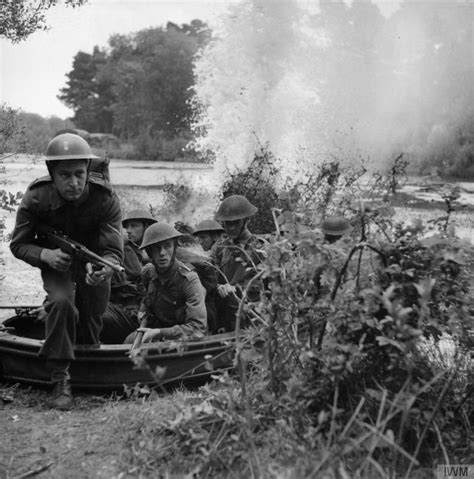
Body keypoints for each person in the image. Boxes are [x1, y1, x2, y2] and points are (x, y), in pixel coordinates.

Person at [10, 133, 123, 410]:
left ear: (87, 170)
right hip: (56, 262)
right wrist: (44, 255)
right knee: (61, 303)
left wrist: (103, 269)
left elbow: (113, 251)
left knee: (92, 314)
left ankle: (86, 360)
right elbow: (18, 244)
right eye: (64, 175)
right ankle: (59, 378)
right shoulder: (36, 198)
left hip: (92, 263)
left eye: (79, 173)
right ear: (52, 174)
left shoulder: (105, 199)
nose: (73, 182)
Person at [125, 223, 207, 344]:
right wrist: (144, 308)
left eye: (167, 246)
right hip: (158, 328)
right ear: (149, 252)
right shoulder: (148, 273)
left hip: (183, 339)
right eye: (157, 248)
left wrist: (159, 333)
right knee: (129, 342)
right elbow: (148, 296)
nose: (162, 253)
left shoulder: (189, 280)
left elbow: (197, 329)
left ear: (174, 248)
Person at [100, 209, 157, 344]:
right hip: (127, 308)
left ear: (147, 228)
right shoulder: (126, 249)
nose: (129, 230)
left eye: (134, 226)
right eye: (127, 227)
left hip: (140, 310)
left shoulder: (154, 250)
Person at [211, 195, 265, 331]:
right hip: (224, 318)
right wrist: (219, 286)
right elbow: (210, 271)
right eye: (227, 223)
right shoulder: (220, 248)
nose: (231, 228)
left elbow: (269, 290)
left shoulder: (260, 250)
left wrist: (235, 289)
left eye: (236, 223)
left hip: (250, 319)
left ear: (246, 221)